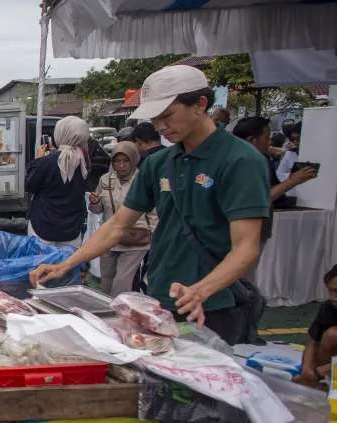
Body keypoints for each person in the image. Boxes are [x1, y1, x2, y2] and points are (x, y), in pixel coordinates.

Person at [32, 65, 270, 346]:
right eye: (155, 118)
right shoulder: (159, 163)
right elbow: (118, 225)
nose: (160, 126)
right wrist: (67, 264)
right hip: (159, 296)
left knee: (204, 384)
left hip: (214, 305)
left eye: (167, 115)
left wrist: (201, 291)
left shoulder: (240, 160)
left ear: (200, 104)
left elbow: (247, 248)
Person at [233, 115, 317, 256]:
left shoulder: (250, 159)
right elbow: (260, 199)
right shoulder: (248, 163)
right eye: (266, 138)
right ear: (252, 140)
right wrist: (292, 181)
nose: (269, 142)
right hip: (247, 231)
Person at [88, 142, 155, 296]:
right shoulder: (105, 180)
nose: (121, 165)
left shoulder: (143, 180)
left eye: (126, 161)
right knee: (106, 281)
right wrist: (95, 202)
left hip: (136, 238)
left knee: (121, 283)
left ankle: (119, 313)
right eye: (117, 161)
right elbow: (97, 210)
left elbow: (154, 212)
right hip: (110, 238)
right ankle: (108, 314)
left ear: (134, 160)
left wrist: (151, 233)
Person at [26, 116, 91, 247]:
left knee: (42, 265)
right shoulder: (84, 162)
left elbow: (30, 185)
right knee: (67, 266)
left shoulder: (47, 162)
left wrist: (38, 160)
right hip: (71, 228)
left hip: (43, 225)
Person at [297, 265, 337, 387]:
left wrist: (319, 372)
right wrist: (306, 370)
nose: (332, 297)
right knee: (330, 336)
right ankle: (324, 382)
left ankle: (323, 379)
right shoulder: (329, 307)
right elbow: (313, 343)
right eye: (330, 290)